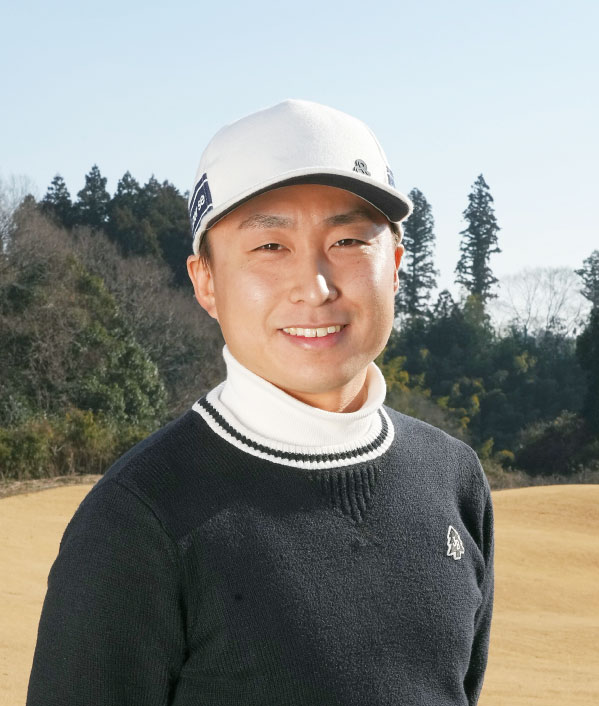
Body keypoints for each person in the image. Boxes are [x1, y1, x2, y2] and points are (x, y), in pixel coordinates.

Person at [26, 98, 494, 705]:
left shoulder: (454, 479)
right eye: (270, 247)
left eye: (349, 240)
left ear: (397, 265)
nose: (315, 288)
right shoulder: (138, 519)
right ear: (206, 281)